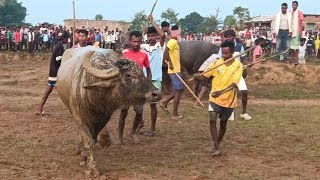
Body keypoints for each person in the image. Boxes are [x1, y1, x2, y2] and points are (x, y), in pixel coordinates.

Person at [194, 41, 243, 156]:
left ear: (232, 52)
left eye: (226, 53)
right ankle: (216, 147)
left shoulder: (238, 66)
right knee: (212, 119)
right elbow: (205, 74)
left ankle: (217, 143)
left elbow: (235, 84)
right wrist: (198, 76)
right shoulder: (217, 63)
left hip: (229, 99)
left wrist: (221, 92)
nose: (224, 56)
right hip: (214, 97)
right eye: (223, 53)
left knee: (223, 123)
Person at [118, 31, 152, 144]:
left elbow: (148, 69)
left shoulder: (144, 55)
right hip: (126, 89)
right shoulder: (124, 54)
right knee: (123, 112)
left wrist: (148, 82)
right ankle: (120, 137)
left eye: (138, 41)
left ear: (141, 41)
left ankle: (132, 132)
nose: (136, 44)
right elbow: (118, 70)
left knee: (139, 112)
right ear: (130, 41)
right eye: (134, 41)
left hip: (139, 89)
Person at [138, 15, 166, 136]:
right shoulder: (143, 47)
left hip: (156, 80)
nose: (151, 38)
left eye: (153, 35)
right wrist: (142, 31)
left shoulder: (160, 46)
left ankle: (152, 129)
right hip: (144, 79)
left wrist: (152, 22)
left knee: (153, 105)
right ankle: (140, 122)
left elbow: (163, 35)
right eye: (149, 36)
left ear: (156, 36)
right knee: (138, 102)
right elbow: (135, 40)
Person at [216, 29, 252, 120]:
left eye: (230, 36)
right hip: (226, 74)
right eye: (226, 37)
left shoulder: (240, 47)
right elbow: (218, 61)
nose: (228, 38)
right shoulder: (222, 47)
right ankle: (225, 112)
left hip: (238, 73)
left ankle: (244, 112)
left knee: (244, 91)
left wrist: (247, 65)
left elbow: (243, 60)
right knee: (226, 93)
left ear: (234, 37)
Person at [36, 31, 69, 116]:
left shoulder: (57, 46)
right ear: (64, 38)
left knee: (48, 91)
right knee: (67, 90)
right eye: (67, 38)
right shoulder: (60, 47)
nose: (67, 40)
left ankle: (39, 108)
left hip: (53, 71)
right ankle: (39, 108)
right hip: (56, 73)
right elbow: (59, 60)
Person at [160, 25, 184, 119]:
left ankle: (164, 102)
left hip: (177, 69)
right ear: (177, 33)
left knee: (179, 90)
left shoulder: (175, 42)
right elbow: (166, 52)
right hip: (174, 71)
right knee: (178, 91)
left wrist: (181, 66)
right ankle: (175, 113)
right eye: (179, 32)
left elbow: (174, 56)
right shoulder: (172, 42)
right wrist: (169, 63)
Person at [290, 1, 304, 65]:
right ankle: (292, 59)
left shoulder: (300, 13)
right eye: (292, 5)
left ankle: (296, 60)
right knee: (291, 47)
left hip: (297, 31)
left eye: (294, 5)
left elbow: (300, 23)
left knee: (297, 47)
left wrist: (300, 32)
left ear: (297, 6)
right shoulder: (291, 13)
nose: (293, 6)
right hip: (291, 32)